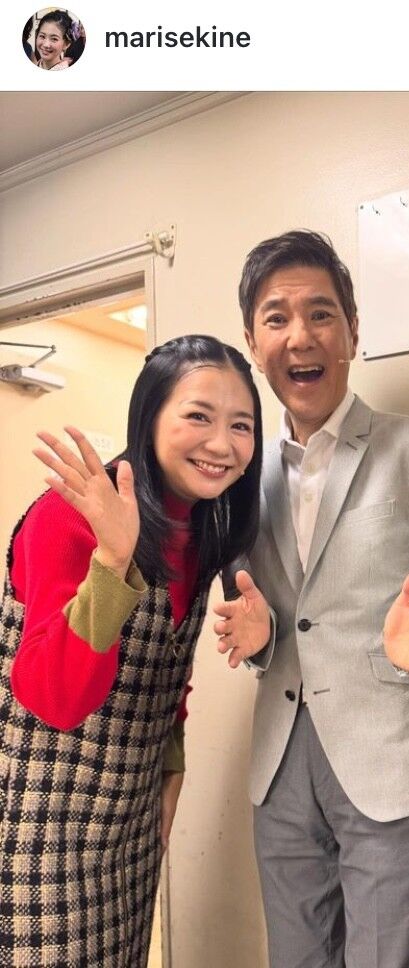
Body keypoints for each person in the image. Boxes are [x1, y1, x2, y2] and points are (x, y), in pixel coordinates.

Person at [217, 229, 409, 968]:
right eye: (276, 318)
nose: (299, 336)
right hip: (280, 760)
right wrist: (259, 640)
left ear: (353, 331)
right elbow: (260, 611)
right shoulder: (241, 475)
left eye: (320, 313)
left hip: (391, 749)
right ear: (253, 342)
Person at [0, 335, 265, 968]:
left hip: (130, 827)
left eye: (241, 425)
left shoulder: (200, 528)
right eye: (198, 416)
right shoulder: (68, 518)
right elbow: (53, 700)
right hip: (40, 828)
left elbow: (167, 666)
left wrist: (171, 766)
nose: (222, 444)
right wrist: (113, 562)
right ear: (149, 417)